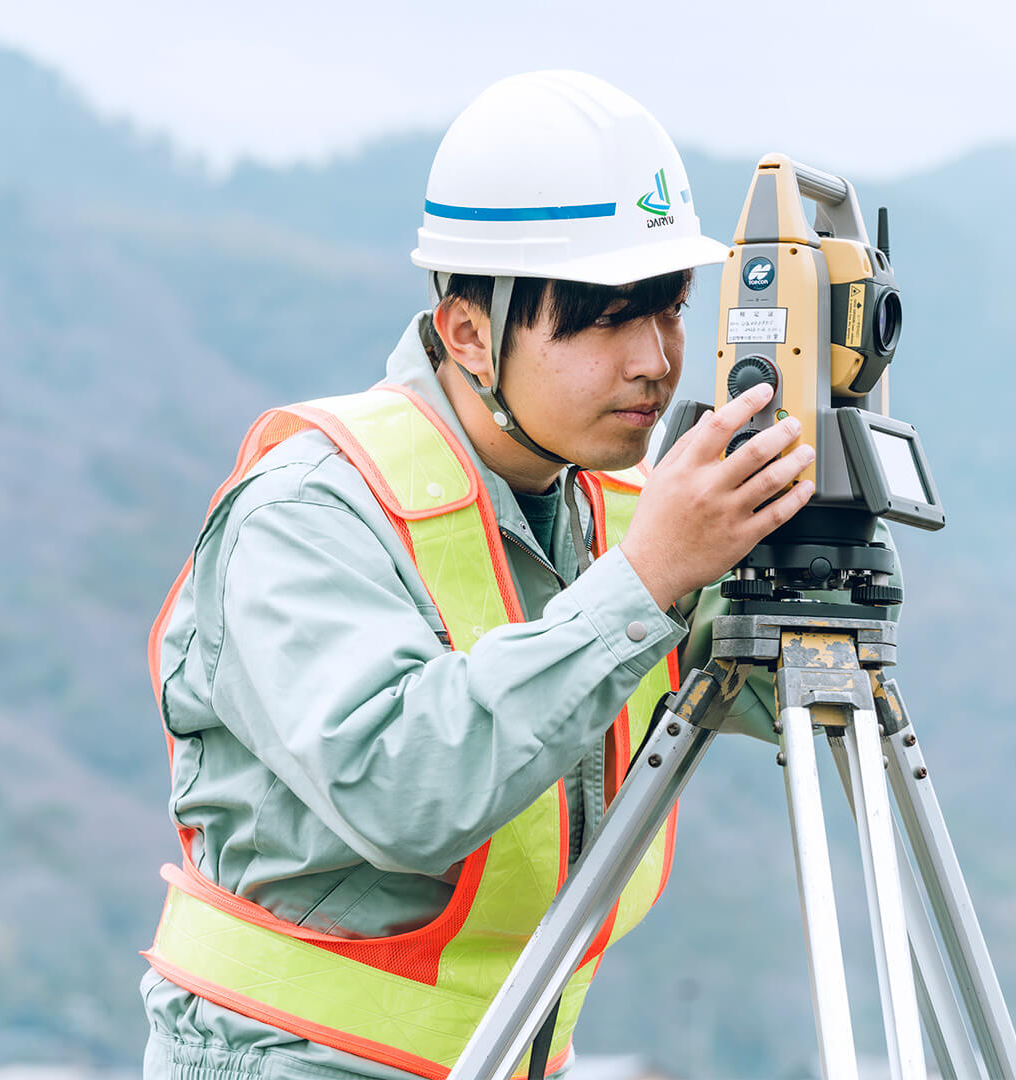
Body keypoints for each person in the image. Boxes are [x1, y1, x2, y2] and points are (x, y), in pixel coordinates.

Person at [138, 70, 826, 1080]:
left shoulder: (624, 509)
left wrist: (804, 547)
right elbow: (403, 789)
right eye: (603, 316)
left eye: (670, 307)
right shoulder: (308, 510)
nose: (654, 358)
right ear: (468, 331)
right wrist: (642, 583)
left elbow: (796, 704)